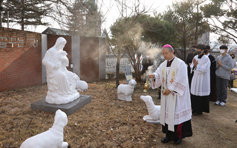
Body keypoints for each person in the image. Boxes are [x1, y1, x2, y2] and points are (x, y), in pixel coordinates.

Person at [149, 44, 192, 144]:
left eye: (166, 53)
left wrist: (171, 89)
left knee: (176, 114)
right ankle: (168, 135)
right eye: (163, 54)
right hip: (166, 96)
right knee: (167, 114)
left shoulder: (180, 64)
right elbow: (158, 73)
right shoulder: (163, 64)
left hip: (177, 96)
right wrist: (154, 76)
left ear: (172, 52)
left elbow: (181, 79)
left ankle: (178, 136)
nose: (164, 55)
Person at [42, 37, 81, 104]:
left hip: (62, 69)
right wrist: (53, 66)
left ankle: (70, 91)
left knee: (72, 75)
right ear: (58, 43)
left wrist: (64, 57)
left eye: (64, 45)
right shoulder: (50, 51)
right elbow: (44, 61)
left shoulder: (61, 51)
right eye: (62, 44)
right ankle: (64, 93)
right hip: (53, 72)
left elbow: (66, 64)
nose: (63, 46)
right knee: (62, 75)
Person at [190, 44, 211, 116]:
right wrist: (193, 66)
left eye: (199, 49)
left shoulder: (206, 58)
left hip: (202, 79)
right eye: (197, 49)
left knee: (200, 94)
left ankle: (199, 110)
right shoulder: (195, 57)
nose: (197, 50)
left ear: (203, 50)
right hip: (196, 77)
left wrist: (196, 66)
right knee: (194, 93)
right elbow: (192, 66)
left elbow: (205, 69)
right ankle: (194, 109)